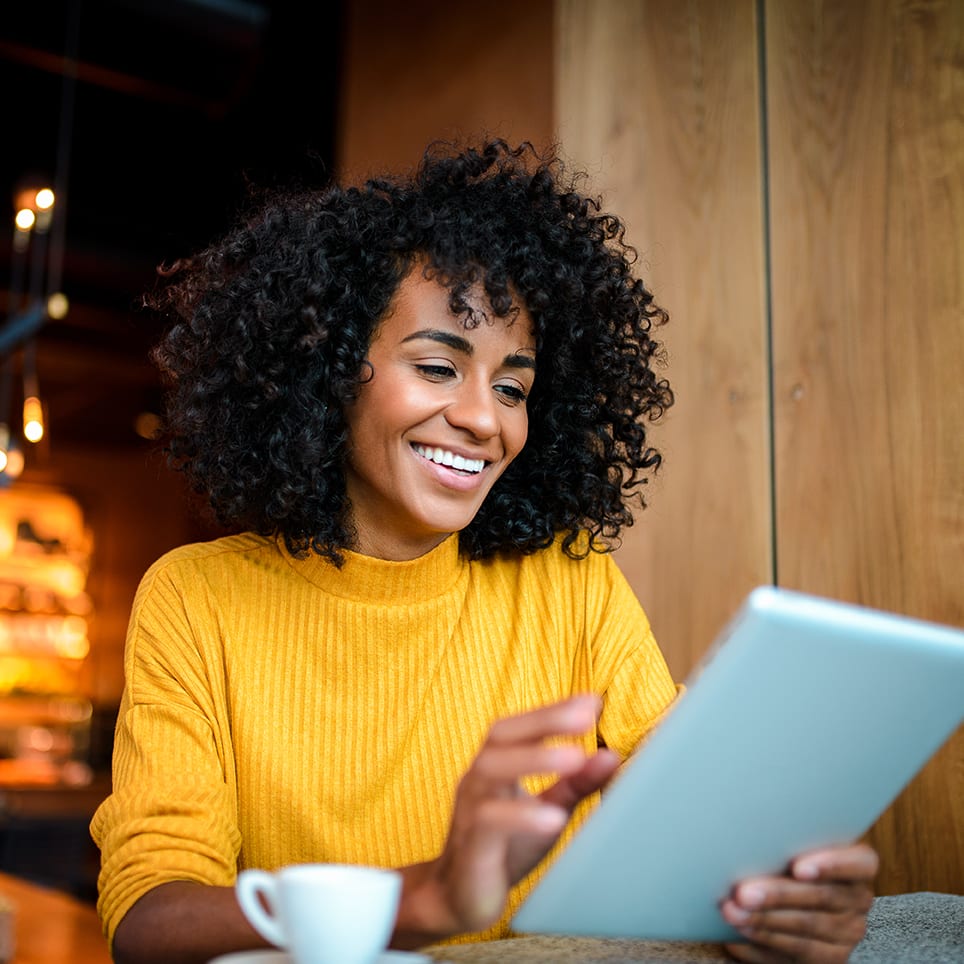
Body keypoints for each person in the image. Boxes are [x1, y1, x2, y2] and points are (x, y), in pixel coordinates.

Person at [91, 139, 877, 964]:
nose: (484, 419)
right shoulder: (195, 598)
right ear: (326, 371)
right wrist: (425, 897)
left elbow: (697, 811)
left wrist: (784, 893)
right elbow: (150, 919)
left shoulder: (569, 579)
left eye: (512, 387)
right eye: (438, 366)